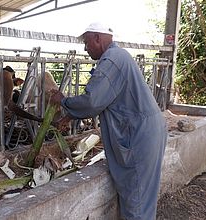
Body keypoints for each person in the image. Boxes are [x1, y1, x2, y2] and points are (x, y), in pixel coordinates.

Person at [49, 22, 167, 220]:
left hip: (138, 136)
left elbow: (93, 101)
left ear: (97, 38)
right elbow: (105, 100)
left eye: (86, 42)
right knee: (141, 197)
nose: (85, 48)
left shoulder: (111, 59)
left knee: (136, 201)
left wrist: (63, 101)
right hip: (145, 132)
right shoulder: (118, 57)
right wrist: (69, 116)